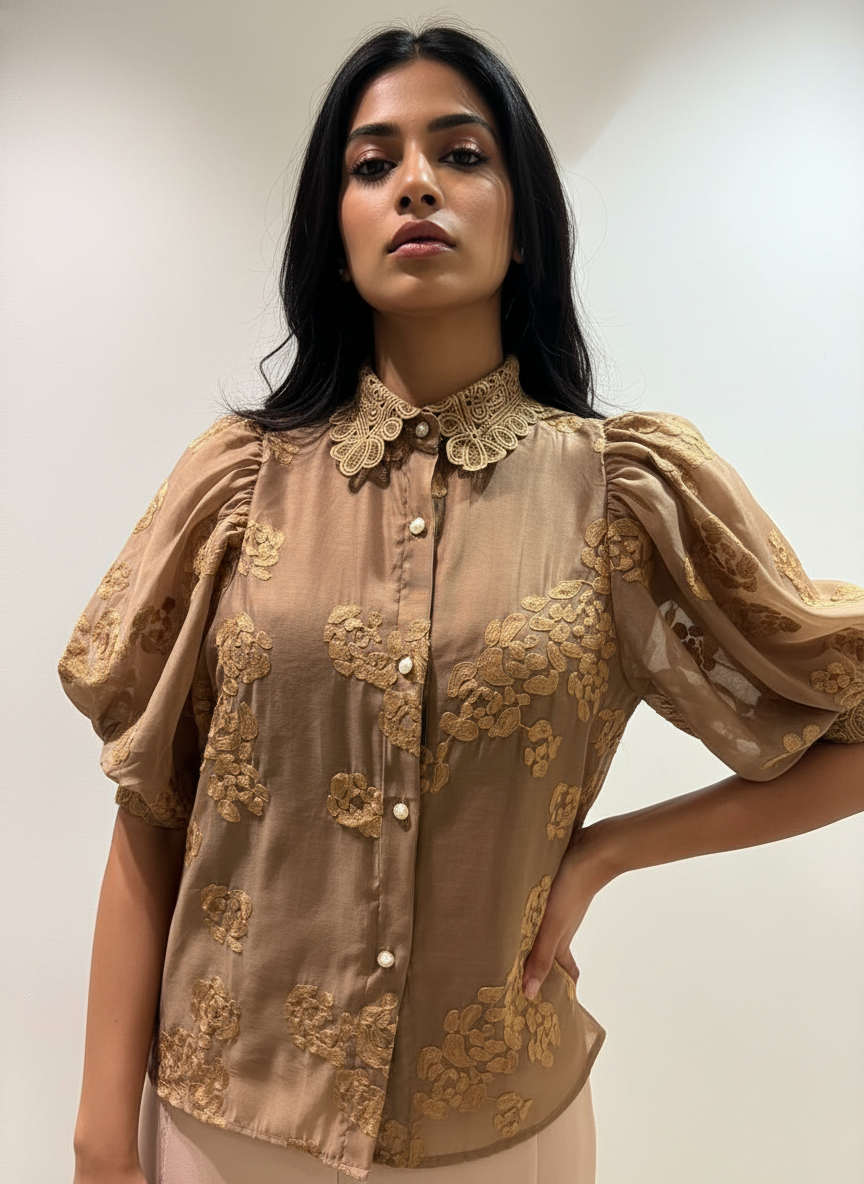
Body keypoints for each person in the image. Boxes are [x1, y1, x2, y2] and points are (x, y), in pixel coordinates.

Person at [61, 21, 864, 1184]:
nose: (417, 184)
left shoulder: (620, 494)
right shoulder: (238, 484)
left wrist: (603, 854)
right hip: (230, 1118)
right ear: (334, 236)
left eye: (462, 153)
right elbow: (149, 805)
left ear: (523, 219)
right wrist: (99, 1142)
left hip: (500, 1127)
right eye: (372, 162)